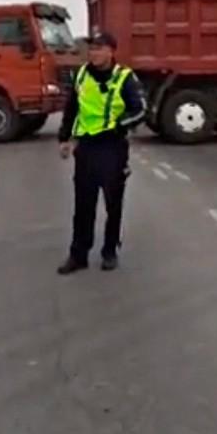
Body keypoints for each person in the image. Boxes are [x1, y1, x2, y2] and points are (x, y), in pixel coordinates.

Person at [56, 33, 145, 275]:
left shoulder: (125, 77)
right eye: (91, 49)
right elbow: (72, 107)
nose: (94, 53)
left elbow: (140, 110)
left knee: (112, 204)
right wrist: (64, 138)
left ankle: (109, 251)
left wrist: (119, 125)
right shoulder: (82, 74)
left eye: (99, 49)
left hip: (112, 148)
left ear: (111, 51)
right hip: (85, 148)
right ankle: (78, 254)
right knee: (83, 205)